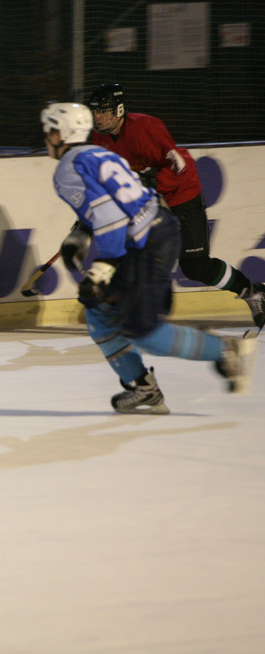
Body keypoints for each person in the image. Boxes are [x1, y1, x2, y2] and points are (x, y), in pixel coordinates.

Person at [40, 102, 256, 413]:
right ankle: (143, 387)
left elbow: (110, 215)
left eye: (50, 130)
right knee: (98, 313)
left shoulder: (67, 169)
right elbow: (121, 199)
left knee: (144, 333)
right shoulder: (99, 153)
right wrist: (82, 233)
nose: (46, 136)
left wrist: (103, 267)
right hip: (153, 232)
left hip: (144, 244)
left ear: (62, 133)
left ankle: (226, 350)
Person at [88, 83, 265, 332]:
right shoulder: (100, 138)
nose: (98, 117)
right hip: (148, 204)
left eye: (103, 111)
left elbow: (178, 165)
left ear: (119, 110)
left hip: (180, 195)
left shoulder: (145, 127)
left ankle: (253, 291)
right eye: (95, 111)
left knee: (196, 267)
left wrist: (149, 179)